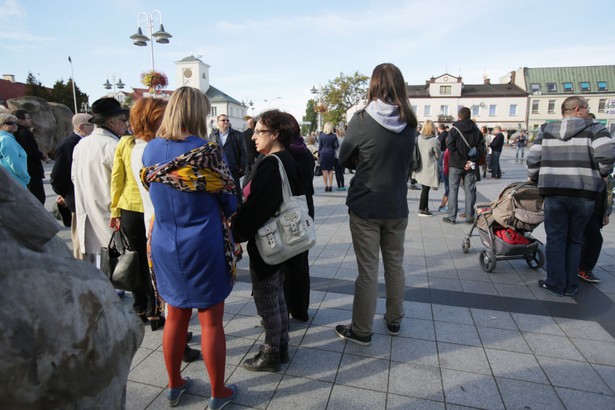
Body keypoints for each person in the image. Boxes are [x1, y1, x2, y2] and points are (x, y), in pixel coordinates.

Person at [141, 87, 238, 408]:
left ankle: (174, 385)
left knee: (175, 315)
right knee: (210, 320)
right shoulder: (208, 151)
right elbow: (228, 200)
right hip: (204, 241)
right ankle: (217, 392)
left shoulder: (151, 150)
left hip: (165, 241)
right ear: (197, 113)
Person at [336, 63, 416, 345]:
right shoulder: (411, 121)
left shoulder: (362, 119)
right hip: (397, 204)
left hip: (366, 204)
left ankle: (361, 330)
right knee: (395, 265)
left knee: (367, 270)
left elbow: (344, 157)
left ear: (373, 85)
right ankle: (394, 320)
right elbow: (412, 162)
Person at [232, 109, 308, 371]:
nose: (253, 136)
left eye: (259, 131)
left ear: (275, 134)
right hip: (286, 241)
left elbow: (258, 208)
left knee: (266, 297)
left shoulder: (270, 165)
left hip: (269, 243)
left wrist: (236, 233)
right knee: (277, 295)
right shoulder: (288, 159)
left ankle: (271, 352)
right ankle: (282, 344)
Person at [527, 96, 615, 297]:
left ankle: (556, 283)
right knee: (575, 240)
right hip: (584, 193)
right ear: (578, 109)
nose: (588, 111)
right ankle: (571, 285)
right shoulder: (595, 129)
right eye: (587, 107)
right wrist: (602, 173)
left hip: (554, 192)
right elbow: (607, 154)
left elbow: (533, 157)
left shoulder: (546, 130)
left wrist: (534, 176)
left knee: (556, 239)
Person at [72, 97, 128, 263]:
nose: (125, 124)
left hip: (88, 211)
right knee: (116, 266)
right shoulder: (114, 146)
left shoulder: (81, 144)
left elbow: (74, 177)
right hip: (110, 215)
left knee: (97, 264)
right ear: (111, 122)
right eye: (123, 120)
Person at [281, 112, 315, 322]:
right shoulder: (306, 153)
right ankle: (301, 309)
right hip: (305, 210)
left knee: (283, 262)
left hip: (286, 212)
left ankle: (283, 310)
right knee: (301, 262)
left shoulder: (281, 156)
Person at [50, 113, 94, 258]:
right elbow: (57, 176)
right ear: (82, 127)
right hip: (75, 197)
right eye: (91, 125)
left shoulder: (80, 142)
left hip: (81, 196)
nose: (94, 128)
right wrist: (65, 194)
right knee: (80, 238)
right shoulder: (70, 143)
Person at [442, 107, 485, 225]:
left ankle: (451, 217)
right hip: (471, 165)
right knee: (470, 190)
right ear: (469, 116)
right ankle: (469, 217)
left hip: (456, 164)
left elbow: (451, 148)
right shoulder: (477, 131)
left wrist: (462, 162)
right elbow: (482, 149)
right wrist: (470, 161)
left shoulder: (454, 130)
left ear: (459, 116)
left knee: (453, 189)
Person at [210, 114, 247, 203]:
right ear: (218, 122)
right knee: (221, 192)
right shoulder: (213, 135)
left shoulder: (237, 134)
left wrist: (242, 166)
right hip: (218, 169)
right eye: (223, 120)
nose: (226, 122)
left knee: (236, 193)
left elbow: (243, 151)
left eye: (227, 120)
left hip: (233, 168)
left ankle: (238, 210)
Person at [12, 109, 45, 204]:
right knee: (38, 198)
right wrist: (41, 155)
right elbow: (31, 151)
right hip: (32, 170)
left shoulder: (16, 133)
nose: (30, 120)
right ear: (20, 120)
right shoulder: (24, 133)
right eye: (28, 118)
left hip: (27, 169)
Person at [413, 120, 440, 216]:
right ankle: (422, 209)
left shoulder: (418, 138)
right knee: (425, 189)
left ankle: (425, 207)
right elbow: (438, 155)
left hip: (420, 167)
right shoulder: (434, 140)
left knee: (425, 188)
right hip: (429, 168)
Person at [0, 113, 30, 187]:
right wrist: (26, 178)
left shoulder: (5, 138)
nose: (14, 125)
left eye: (16, 123)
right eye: (10, 123)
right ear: (1, 126)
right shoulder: (6, 139)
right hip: (14, 183)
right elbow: (15, 162)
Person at [318, 122, 338, 192]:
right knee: (330, 170)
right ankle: (330, 186)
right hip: (331, 154)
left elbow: (320, 146)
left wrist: (318, 155)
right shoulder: (334, 136)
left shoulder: (321, 135)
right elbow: (336, 146)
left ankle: (326, 185)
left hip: (323, 154)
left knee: (324, 170)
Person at [242, 117, 257, 187]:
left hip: (246, 158)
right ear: (253, 124)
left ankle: (244, 188)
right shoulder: (255, 134)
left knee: (246, 175)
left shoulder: (242, 134)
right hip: (254, 158)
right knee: (254, 174)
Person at [333, 126, 346, 190]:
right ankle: (343, 185)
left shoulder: (336, 139)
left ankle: (339, 186)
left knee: (337, 172)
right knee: (341, 172)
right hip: (343, 157)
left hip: (336, 157)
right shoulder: (345, 139)